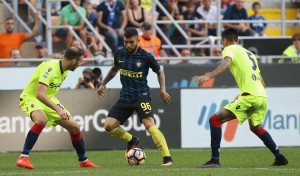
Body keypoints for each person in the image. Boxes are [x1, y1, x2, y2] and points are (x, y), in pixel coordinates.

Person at [195, 28, 288, 168]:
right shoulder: (249, 53)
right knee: (256, 128)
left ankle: (214, 160)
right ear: (238, 40)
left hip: (250, 96)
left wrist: (208, 76)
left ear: (224, 40)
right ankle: (280, 157)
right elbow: (262, 80)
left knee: (215, 119)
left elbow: (226, 63)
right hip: (261, 95)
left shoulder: (228, 49)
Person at [97, 28, 174, 166]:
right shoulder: (119, 54)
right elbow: (114, 69)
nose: (128, 45)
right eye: (126, 42)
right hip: (125, 97)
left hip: (141, 96)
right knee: (108, 126)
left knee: (149, 124)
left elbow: (159, 72)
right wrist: (103, 84)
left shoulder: (146, 56)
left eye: (131, 42)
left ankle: (167, 158)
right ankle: (132, 140)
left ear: (138, 41)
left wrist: (162, 89)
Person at [16, 47, 99, 169]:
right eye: (80, 62)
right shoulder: (50, 69)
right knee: (41, 120)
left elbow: (46, 94)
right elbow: (39, 94)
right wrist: (58, 109)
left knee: (74, 127)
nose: (80, 65)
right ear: (74, 61)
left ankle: (83, 160)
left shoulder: (64, 69)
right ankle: (23, 157)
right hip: (31, 97)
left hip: (48, 98)